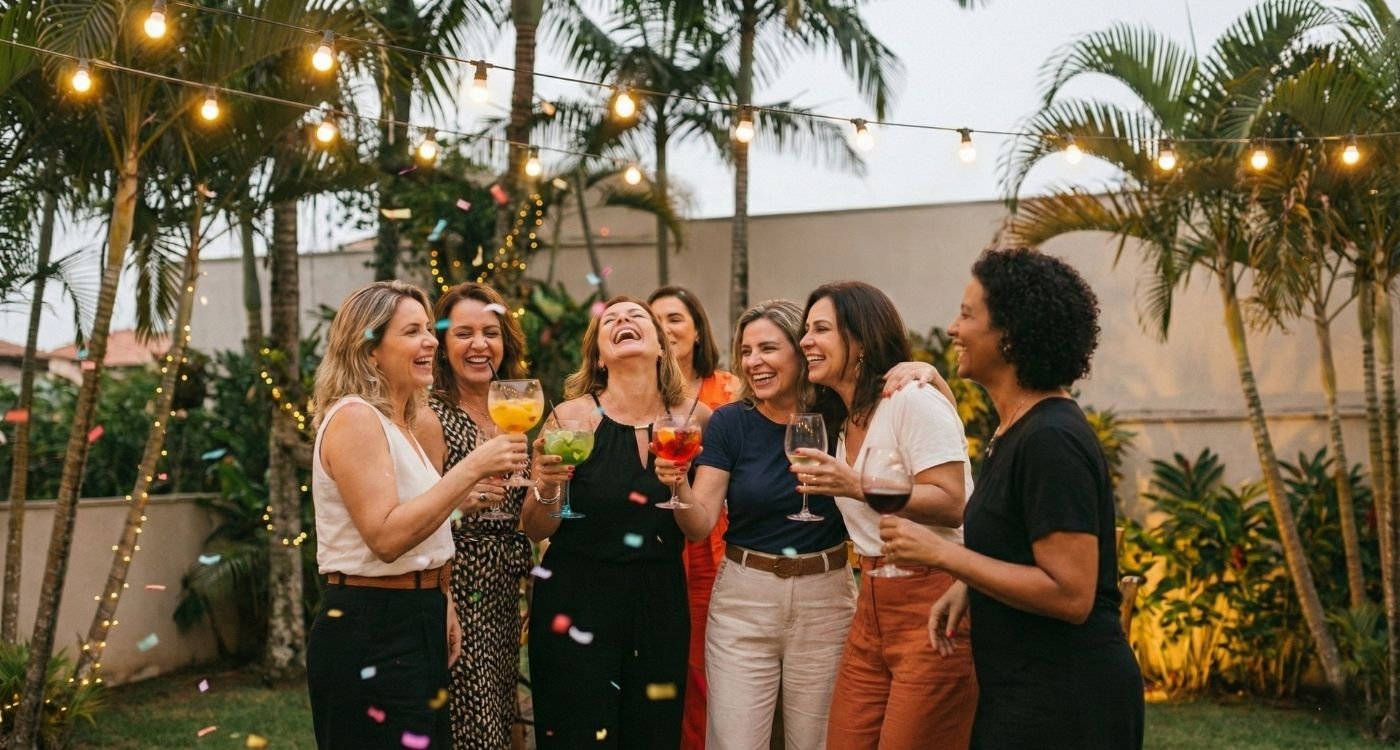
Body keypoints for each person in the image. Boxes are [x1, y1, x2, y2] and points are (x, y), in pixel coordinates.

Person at [880, 248, 1144, 749]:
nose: (953, 328)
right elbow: (1020, 541)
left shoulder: (1051, 439)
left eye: (967, 313)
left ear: (1009, 335)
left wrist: (944, 556)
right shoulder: (1015, 429)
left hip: (1066, 701)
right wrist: (969, 587)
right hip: (1024, 689)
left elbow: (1071, 594)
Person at [306, 281, 528, 749]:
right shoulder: (354, 418)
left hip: (418, 614)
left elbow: (426, 527)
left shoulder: (400, 423)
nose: (430, 340)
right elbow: (385, 537)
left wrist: (441, 595)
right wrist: (470, 469)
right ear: (370, 351)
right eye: (413, 331)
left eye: (429, 329)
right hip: (371, 624)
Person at [793, 281, 978, 749]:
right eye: (805, 330)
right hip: (871, 600)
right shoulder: (842, 419)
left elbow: (952, 503)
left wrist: (856, 486)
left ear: (860, 341)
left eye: (820, 329)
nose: (805, 342)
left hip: (934, 599)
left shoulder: (910, 399)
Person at [523, 296, 711, 749]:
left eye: (635, 317)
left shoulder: (695, 419)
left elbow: (698, 527)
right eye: (611, 320)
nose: (623, 321)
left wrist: (678, 486)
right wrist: (548, 485)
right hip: (576, 600)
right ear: (600, 356)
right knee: (578, 736)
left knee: (652, 734)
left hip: (659, 604)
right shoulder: (569, 418)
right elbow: (535, 527)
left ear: (662, 347)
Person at [413, 282, 531, 749]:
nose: (480, 344)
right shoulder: (431, 415)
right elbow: (415, 513)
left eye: (491, 332)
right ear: (442, 345)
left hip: (506, 586)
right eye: (464, 333)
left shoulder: (514, 410)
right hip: (458, 583)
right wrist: (460, 501)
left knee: (501, 715)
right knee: (471, 723)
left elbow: (523, 507)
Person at [647, 285, 738, 750]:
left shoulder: (727, 390)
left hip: (712, 542)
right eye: (655, 319)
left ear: (698, 330)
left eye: (676, 318)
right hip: (656, 541)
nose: (665, 329)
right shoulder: (645, 395)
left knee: (705, 663)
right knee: (667, 663)